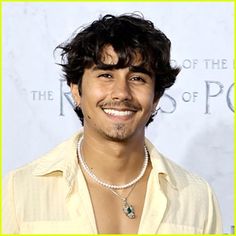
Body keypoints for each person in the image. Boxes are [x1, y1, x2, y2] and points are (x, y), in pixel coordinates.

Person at [2, 13, 222, 234]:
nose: (121, 93)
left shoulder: (197, 198)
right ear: (76, 90)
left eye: (137, 78)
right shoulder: (19, 190)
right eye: (106, 75)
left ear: (155, 98)